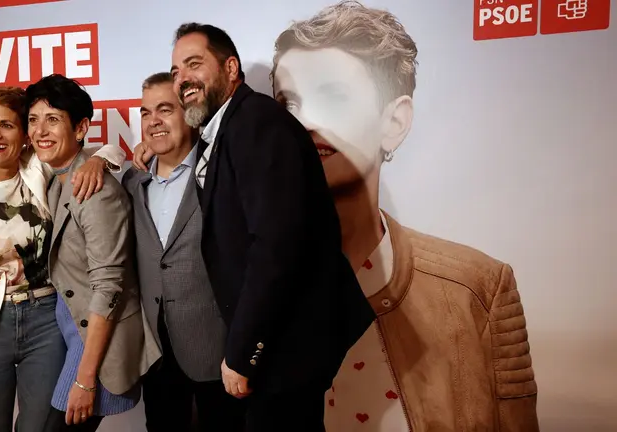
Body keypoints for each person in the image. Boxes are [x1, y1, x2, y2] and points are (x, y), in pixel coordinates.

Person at [270, 2, 540, 431]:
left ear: (394, 121)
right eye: (288, 103)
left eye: (333, 96)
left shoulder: (477, 288)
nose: (303, 122)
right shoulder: (247, 286)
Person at [167, 23, 376, 431]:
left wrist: (245, 352)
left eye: (194, 64)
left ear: (231, 68)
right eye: (175, 71)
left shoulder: (256, 123)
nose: (182, 79)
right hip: (281, 345)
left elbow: (276, 246)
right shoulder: (228, 129)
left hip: (287, 345)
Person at [0, 86, 125, 432]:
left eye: (6, 125)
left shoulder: (38, 170)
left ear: (24, 134)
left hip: (46, 323)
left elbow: (99, 149)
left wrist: (99, 160)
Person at [23, 73, 160, 432]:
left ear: (81, 127)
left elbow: (109, 288)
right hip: (70, 336)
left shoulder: (95, 192)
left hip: (96, 342)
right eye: (34, 120)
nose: (40, 131)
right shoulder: (56, 176)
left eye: (53, 119)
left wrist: (85, 381)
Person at [122, 72, 246, 432]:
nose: (153, 121)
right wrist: (104, 158)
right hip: (155, 353)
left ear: (189, 113)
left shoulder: (222, 171)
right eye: (145, 113)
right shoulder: (133, 181)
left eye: (165, 109)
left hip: (218, 351)